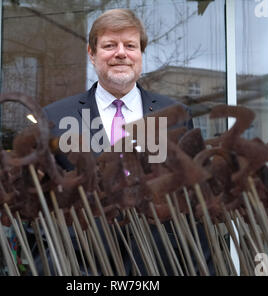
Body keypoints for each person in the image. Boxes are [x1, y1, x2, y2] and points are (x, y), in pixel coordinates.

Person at [40, 8, 214, 275]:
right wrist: (49, 266)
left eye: (130, 45)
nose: (121, 53)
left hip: (162, 265)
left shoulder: (175, 115)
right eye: (110, 45)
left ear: (140, 54)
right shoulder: (56, 117)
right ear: (91, 53)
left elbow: (194, 199)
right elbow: (39, 202)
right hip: (83, 267)